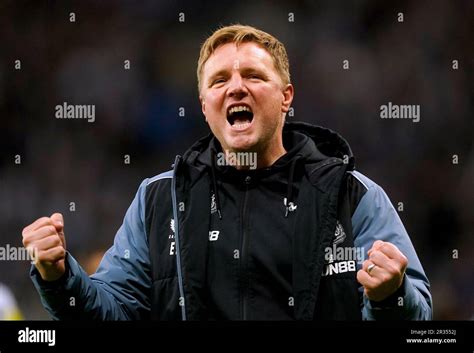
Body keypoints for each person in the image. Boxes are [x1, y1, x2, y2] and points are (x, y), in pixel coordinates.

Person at [23, 24, 432, 320]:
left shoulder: (352, 195)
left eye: (253, 75)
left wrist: (390, 295)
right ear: (204, 106)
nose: (236, 87)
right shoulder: (158, 201)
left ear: (286, 96)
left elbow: (420, 322)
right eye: (220, 81)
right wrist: (59, 278)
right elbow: (110, 312)